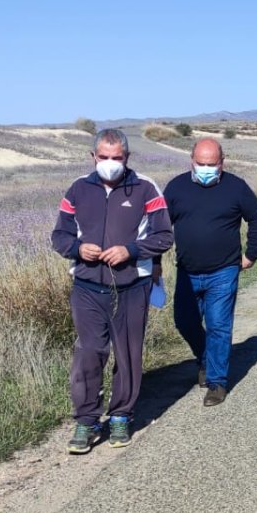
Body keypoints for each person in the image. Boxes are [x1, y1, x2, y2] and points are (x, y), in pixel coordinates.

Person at [51, 129, 173, 453]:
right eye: (103, 157)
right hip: (87, 285)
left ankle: (121, 415)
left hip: (132, 286)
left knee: (128, 354)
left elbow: (164, 236)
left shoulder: (146, 188)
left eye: (116, 158)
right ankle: (87, 420)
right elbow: (59, 236)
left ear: (127, 157)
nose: (110, 163)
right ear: (93, 157)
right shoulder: (78, 189)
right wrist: (78, 249)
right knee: (89, 352)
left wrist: (130, 251)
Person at [162, 138, 257, 407]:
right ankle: (205, 359)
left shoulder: (236, 187)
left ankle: (217, 382)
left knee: (218, 326)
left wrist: (251, 254)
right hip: (187, 271)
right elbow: (160, 226)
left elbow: (256, 218)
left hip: (224, 270)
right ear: (191, 161)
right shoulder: (176, 187)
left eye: (212, 164)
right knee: (184, 322)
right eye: (201, 163)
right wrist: (154, 261)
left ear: (222, 162)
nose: (206, 169)